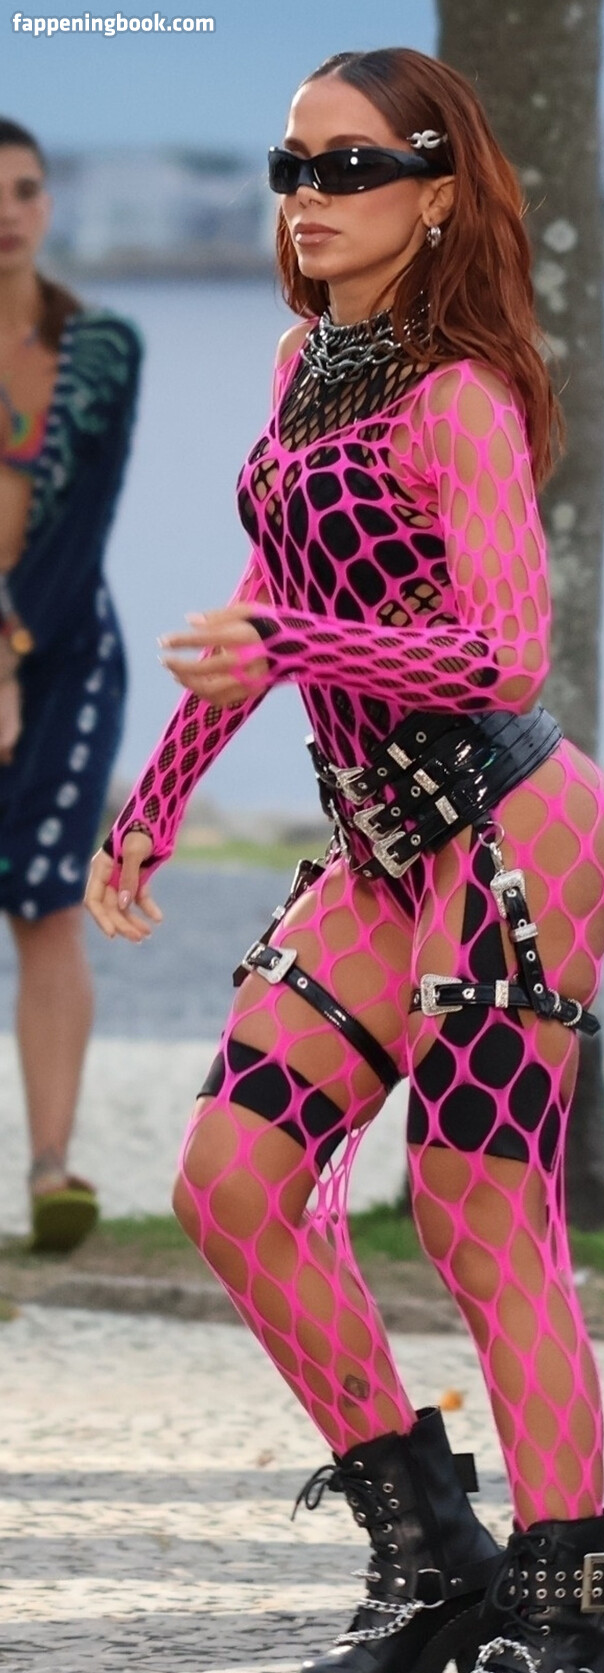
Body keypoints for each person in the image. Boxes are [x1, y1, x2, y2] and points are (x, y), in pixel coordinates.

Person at [86, 48, 604, 1673]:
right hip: (380, 843)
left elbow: (502, 654)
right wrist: (155, 799)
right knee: (231, 1181)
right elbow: (271, 616)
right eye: (289, 164)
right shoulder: (302, 373)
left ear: (437, 192)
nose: (307, 194)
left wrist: (289, 655)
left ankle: (568, 1648)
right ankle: (432, 1556)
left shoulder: (463, 400)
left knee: (478, 1206)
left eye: (350, 164)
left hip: (517, 831)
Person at [0, 117, 142, 1251]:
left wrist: (9, 653)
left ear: (49, 206)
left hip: (65, 655)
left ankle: (52, 1171)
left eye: (25, 190)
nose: (7, 213)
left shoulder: (102, 350)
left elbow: (82, 527)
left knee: (47, 901)